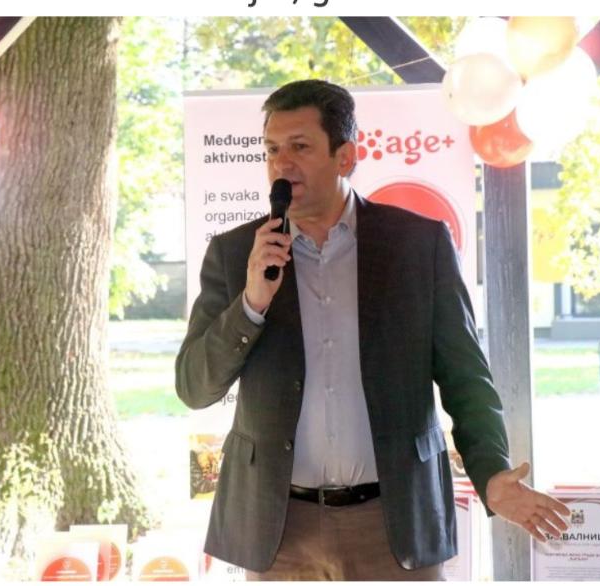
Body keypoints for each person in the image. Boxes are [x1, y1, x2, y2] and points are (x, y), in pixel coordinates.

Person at [175, 79, 570, 581]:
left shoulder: (418, 245)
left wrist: (491, 472)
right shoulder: (236, 254)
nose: (281, 164)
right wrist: (251, 303)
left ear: (345, 157)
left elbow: (466, 378)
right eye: (272, 150)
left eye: (300, 147)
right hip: (279, 530)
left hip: (394, 521)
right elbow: (194, 388)